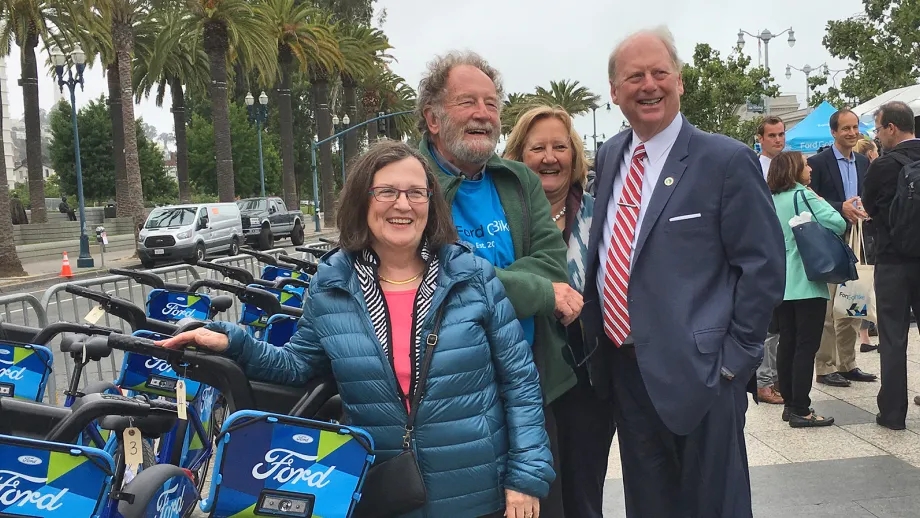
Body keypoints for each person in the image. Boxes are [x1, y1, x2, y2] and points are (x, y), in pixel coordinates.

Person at [156, 140, 554, 518]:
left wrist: (527, 477)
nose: (403, 204)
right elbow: (297, 365)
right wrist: (233, 342)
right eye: (387, 192)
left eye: (417, 193)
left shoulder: (473, 277)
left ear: (431, 205)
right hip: (386, 491)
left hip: (476, 493)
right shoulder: (333, 285)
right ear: (363, 201)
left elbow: (519, 383)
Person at [583, 27, 785, 516]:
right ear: (614, 92)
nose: (649, 84)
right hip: (627, 371)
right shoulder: (611, 155)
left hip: (704, 375)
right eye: (634, 76)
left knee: (713, 505)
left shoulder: (725, 160)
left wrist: (733, 362)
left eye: (660, 72)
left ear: (680, 82)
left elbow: (763, 266)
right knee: (648, 505)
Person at [415, 51, 580, 517]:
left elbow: (552, 266)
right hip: (447, 403)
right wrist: (538, 293)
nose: (484, 114)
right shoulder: (407, 183)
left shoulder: (518, 181)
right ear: (433, 117)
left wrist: (473, 274)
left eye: (491, 103)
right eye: (468, 101)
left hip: (529, 390)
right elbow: (430, 280)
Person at [503, 105, 615, 518]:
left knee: (584, 491)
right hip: (523, 369)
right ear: (518, 155)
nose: (550, 157)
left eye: (560, 147)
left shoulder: (600, 211)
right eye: (537, 148)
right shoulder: (505, 216)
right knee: (536, 496)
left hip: (586, 369)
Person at [768, 151, 846, 427]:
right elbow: (838, 222)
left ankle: (789, 403)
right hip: (807, 280)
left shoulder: (772, 199)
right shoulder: (804, 195)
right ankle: (802, 408)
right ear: (794, 170)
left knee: (787, 343)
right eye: (805, 165)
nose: (810, 168)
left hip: (781, 282)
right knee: (806, 346)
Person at [807, 109, 877, 387]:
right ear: (834, 132)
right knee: (828, 308)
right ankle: (825, 367)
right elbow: (814, 199)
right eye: (845, 128)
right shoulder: (818, 162)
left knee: (853, 302)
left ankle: (847, 363)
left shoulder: (862, 162)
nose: (851, 133)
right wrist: (841, 207)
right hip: (829, 240)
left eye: (855, 127)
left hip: (858, 239)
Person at [862, 101, 920, 430]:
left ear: (891, 129)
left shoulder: (883, 167)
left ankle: (893, 413)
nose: (878, 135)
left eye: (879, 128)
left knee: (893, 337)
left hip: (893, 261)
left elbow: (870, 205)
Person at [754, 115, 788, 405]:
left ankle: (777, 378)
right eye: (772, 135)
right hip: (763, 251)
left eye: (781, 134)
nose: (778, 139)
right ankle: (763, 381)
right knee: (767, 324)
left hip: (788, 252)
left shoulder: (788, 166)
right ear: (760, 139)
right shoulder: (754, 167)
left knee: (781, 326)